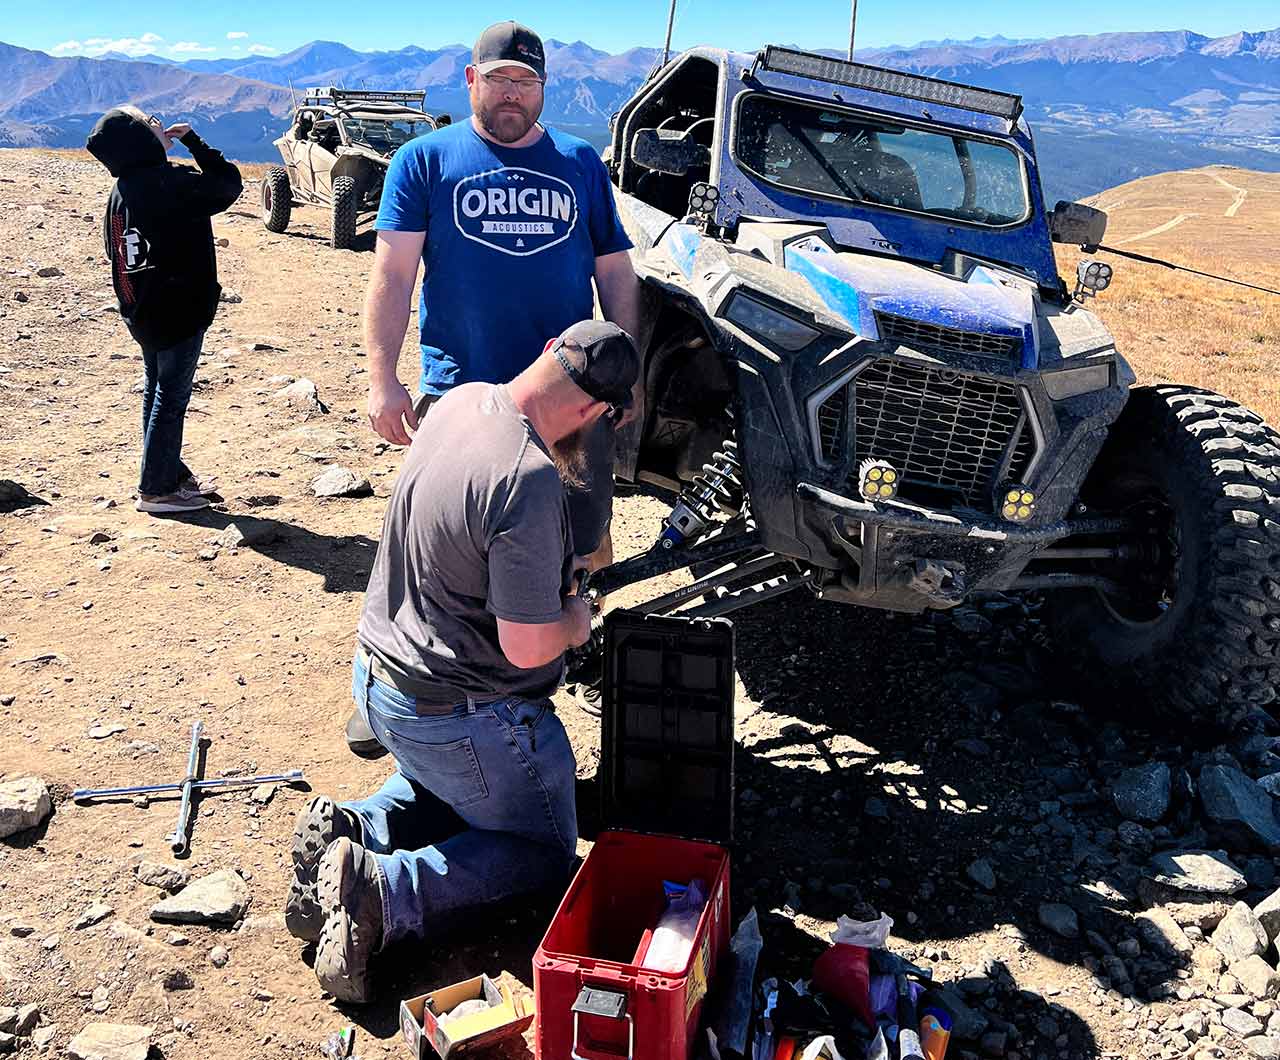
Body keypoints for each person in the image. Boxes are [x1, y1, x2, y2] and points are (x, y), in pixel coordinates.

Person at [284, 320, 640, 1003]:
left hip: (381, 680)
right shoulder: (528, 477)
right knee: (541, 853)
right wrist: (573, 621)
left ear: (545, 353)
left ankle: (358, 829)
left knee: (467, 788)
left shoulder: (460, 402)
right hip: (453, 713)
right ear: (595, 413)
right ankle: (381, 893)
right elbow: (526, 646)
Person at [351, 20, 641, 755]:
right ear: (471, 81)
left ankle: (540, 672)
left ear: (544, 88)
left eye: (527, 82)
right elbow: (393, 274)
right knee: (439, 551)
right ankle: (402, 686)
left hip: (571, 399)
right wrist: (382, 379)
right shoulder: (423, 161)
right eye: (500, 79)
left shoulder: (580, 164)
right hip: (463, 395)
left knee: (576, 537)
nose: (513, 95)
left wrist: (626, 367)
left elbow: (616, 273)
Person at [85, 107, 242, 514]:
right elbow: (227, 185)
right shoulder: (171, 181)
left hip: (143, 310)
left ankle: (168, 472)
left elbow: (113, 249)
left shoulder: (122, 189)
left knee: (157, 392)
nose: (159, 121)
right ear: (140, 138)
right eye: (150, 120)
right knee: (170, 398)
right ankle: (157, 489)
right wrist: (194, 142)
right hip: (180, 309)